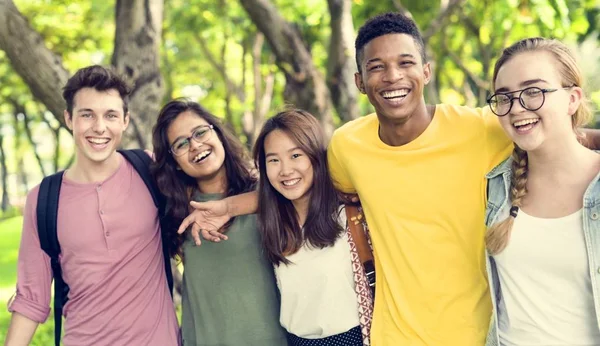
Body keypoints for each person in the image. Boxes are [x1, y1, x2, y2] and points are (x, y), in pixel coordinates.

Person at [177, 12, 600, 346]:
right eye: (376, 67)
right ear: (360, 82)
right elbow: (306, 189)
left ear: (426, 72)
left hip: (481, 336)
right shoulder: (348, 146)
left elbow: (559, 131)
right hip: (393, 336)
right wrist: (230, 206)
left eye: (405, 63)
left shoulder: (482, 128)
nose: (392, 76)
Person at [5, 65, 180, 345]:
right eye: (87, 115)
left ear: (125, 120)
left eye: (110, 115)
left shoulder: (149, 170)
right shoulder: (44, 199)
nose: (99, 127)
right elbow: (30, 298)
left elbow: (213, 195)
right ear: (68, 119)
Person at [483, 37, 600, 346]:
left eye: (534, 91)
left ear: (572, 99)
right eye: (504, 97)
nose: (517, 108)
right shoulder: (497, 186)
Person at [151, 99, 287, 346]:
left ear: (218, 133)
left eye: (200, 132)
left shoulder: (266, 194)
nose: (195, 145)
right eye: (181, 144)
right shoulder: (176, 214)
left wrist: (231, 206)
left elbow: (308, 191)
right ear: (174, 164)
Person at [252, 109, 373, 345]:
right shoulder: (274, 223)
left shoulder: (349, 216)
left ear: (316, 156)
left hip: (354, 339)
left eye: (296, 155)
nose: (285, 170)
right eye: (274, 160)